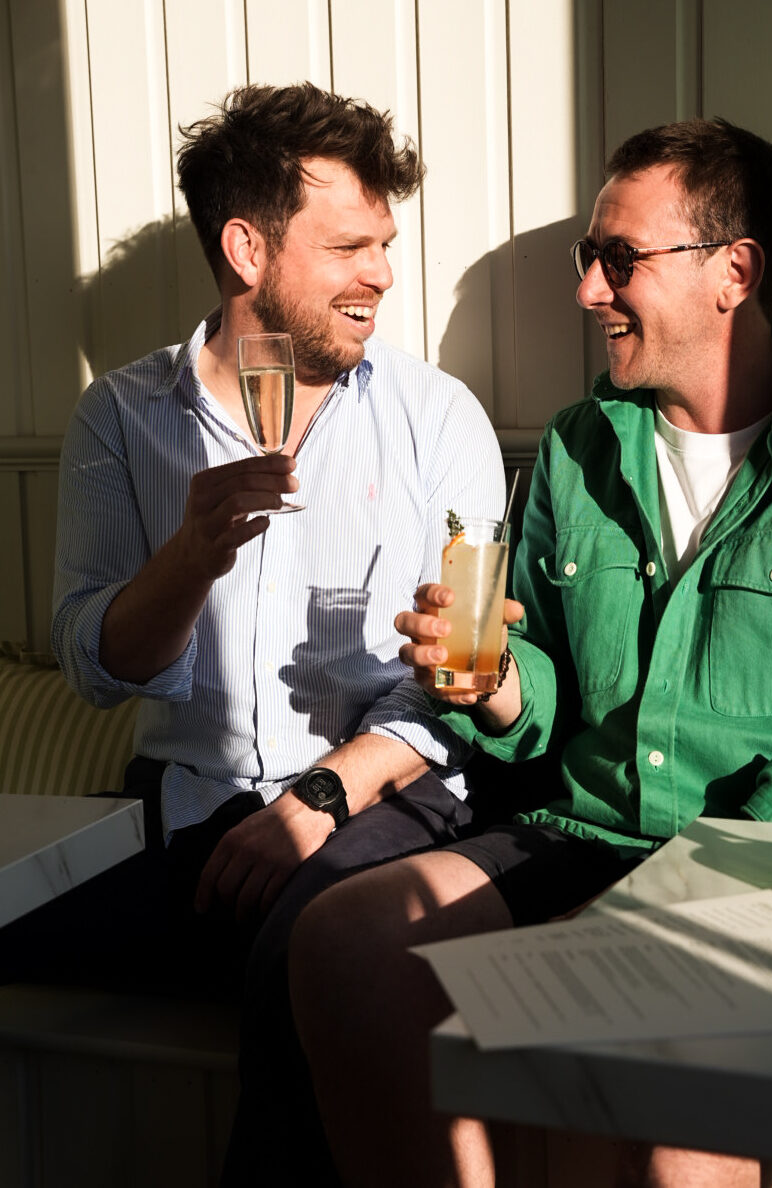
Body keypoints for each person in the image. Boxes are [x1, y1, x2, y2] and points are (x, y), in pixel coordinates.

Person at [286, 117, 772, 1187]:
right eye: (588, 257)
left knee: (648, 1075)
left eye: (619, 260)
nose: (586, 291)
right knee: (345, 942)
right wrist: (494, 688)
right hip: (586, 832)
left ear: (733, 272)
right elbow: (549, 697)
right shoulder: (577, 446)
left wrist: (727, 850)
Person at [47, 82, 505, 1183]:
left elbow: (473, 661)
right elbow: (96, 667)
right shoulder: (121, 417)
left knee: (307, 943)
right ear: (247, 247)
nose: (384, 276)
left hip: (380, 801)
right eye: (351, 246)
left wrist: (321, 800)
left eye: (385, 245)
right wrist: (189, 557)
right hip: (189, 813)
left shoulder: (440, 417)